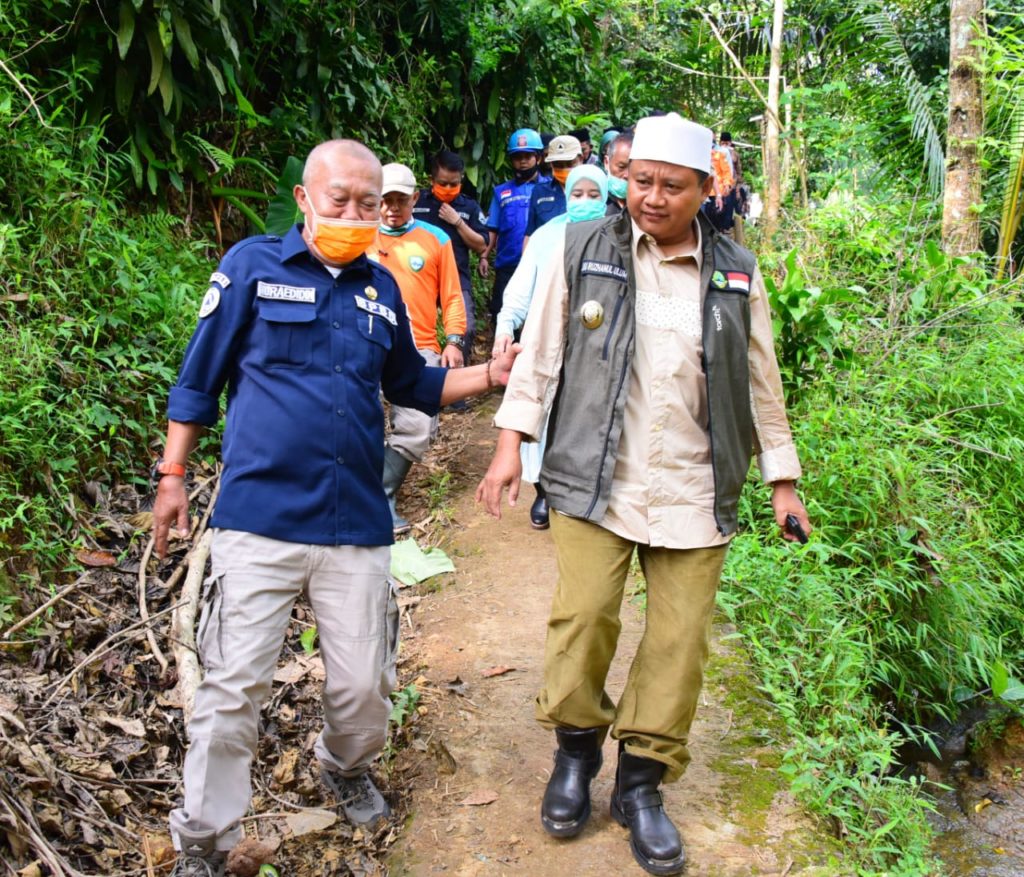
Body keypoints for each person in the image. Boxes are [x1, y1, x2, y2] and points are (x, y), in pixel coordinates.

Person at [153, 139, 519, 877]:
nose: (355, 214)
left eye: (367, 200)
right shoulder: (250, 269)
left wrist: (489, 372)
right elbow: (197, 382)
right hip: (259, 518)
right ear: (303, 199)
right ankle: (204, 840)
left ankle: (342, 766)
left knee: (363, 686)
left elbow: (413, 384)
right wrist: (171, 473)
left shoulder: (381, 289)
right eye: (340, 200)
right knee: (233, 690)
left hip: (355, 522)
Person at [477, 113, 810, 876]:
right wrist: (507, 447)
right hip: (598, 476)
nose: (652, 197)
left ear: (705, 189)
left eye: (672, 185)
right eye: (642, 181)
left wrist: (782, 483)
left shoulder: (736, 272)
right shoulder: (581, 247)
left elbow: (762, 381)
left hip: (696, 484)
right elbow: (543, 358)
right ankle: (574, 754)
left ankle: (641, 783)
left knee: (678, 640)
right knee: (585, 614)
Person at [491, 164, 609, 530]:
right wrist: (505, 325)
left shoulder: (617, 237)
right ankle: (544, 488)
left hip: (598, 345)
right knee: (545, 411)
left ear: (605, 198)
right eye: (577, 194)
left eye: (594, 195)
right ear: (566, 196)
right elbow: (522, 287)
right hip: (548, 339)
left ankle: (582, 489)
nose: (585, 201)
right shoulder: (546, 236)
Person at [367, 162, 466, 535]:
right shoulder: (359, 239)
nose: (392, 208)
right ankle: (364, 502)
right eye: (384, 200)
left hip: (419, 346)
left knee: (419, 426)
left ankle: (383, 494)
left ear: (414, 198)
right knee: (361, 423)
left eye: (399, 200)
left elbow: (452, 296)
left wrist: (453, 340)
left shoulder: (435, 239)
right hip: (366, 343)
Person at [412, 150, 488, 361]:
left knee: (465, 329)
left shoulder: (469, 206)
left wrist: (458, 222)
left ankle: (456, 382)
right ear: (431, 179)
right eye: (442, 183)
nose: (448, 189)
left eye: (453, 184)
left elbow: (482, 245)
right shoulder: (417, 203)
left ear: (461, 180)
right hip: (420, 276)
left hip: (456, 277)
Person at [482, 128, 546, 329]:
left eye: (528, 156)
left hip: (541, 266)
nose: (523, 161)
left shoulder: (550, 188)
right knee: (502, 313)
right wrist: (484, 256)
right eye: (518, 157)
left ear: (538, 158)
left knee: (536, 318)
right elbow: (493, 227)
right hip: (508, 264)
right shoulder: (501, 192)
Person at [524, 134, 583, 239]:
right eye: (558, 165)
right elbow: (530, 234)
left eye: (570, 164)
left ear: (581, 159)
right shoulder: (539, 191)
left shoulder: (594, 191)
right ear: (551, 164)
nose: (565, 169)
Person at [603, 130, 633, 215]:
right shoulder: (597, 199)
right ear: (606, 162)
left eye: (632, 168)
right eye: (621, 167)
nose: (627, 175)